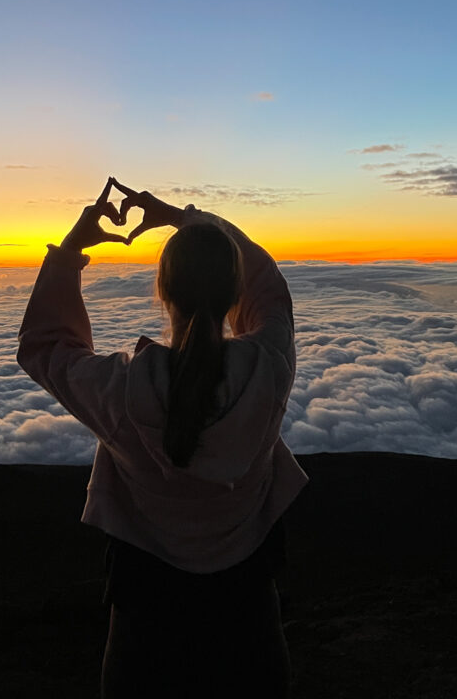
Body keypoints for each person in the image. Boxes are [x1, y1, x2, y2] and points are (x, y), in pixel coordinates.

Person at [17, 177, 308, 698]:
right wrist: (183, 217)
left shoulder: (121, 391)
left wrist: (71, 251)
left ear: (163, 291)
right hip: (249, 613)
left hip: (145, 618)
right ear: (233, 292)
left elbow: (44, 345)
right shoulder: (269, 367)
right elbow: (268, 282)